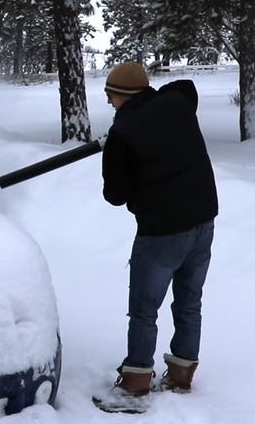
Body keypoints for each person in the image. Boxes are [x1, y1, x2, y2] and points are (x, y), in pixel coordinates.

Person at [91, 62, 218, 412]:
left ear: (120, 95)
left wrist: (115, 155)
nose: (109, 103)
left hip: (162, 231)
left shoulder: (123, 134)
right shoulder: (175, 102)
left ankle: (134, 387)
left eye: (109, 96)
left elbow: (115, 195)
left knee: (144, 311)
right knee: (189, 301)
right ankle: (181, 375)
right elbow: (185, 86)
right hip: (203, 221)